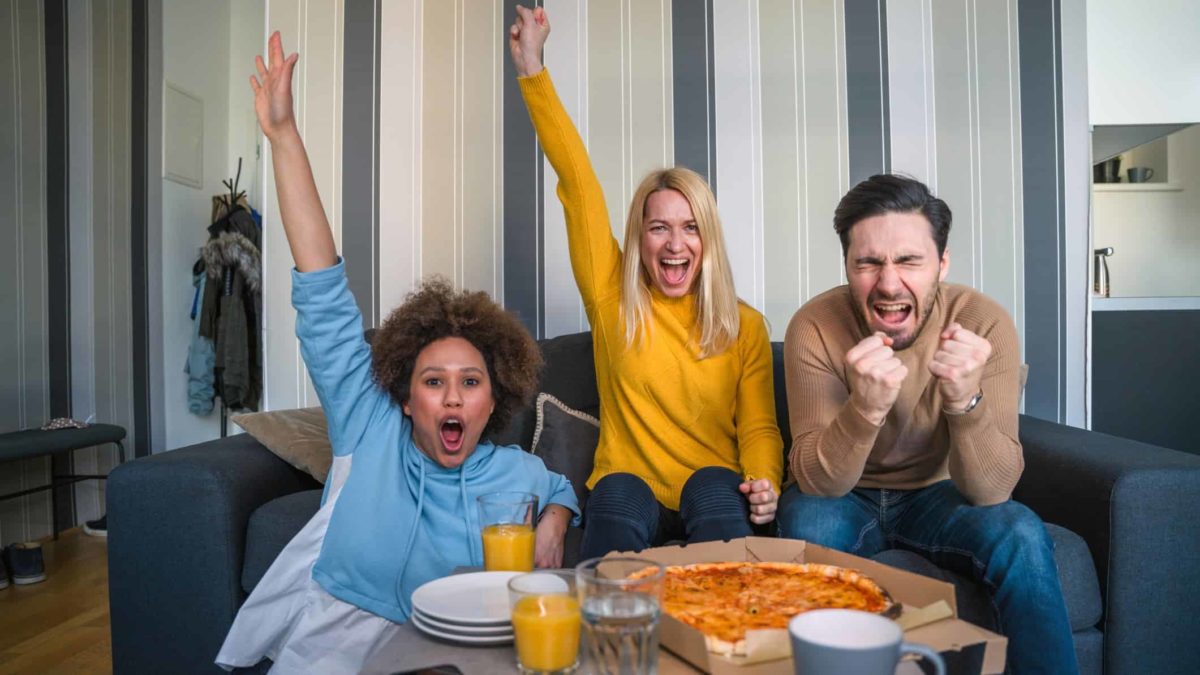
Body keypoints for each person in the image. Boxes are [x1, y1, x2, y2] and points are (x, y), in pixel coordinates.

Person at [215, 32, 579, 674]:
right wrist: (284, 138)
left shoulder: (513, 473)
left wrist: (554, 518)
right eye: (433, 381)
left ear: (494, 398)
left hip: (454, 653)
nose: (452, 396)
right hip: (337, 638)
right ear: (407, 397)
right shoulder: (367, 430)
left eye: (470, 382)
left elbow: (557, 487)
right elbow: (322, 295)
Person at [508, 6, 783, 560]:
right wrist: (533, 71)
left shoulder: (745, 326)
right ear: (641, 238)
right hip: (628, 489)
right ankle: (608, 628)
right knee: (616, 489)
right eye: (659, 228)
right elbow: (579, 185)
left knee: (712, 481)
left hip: (711, 491)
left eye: (690, 228)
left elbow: (758, 427)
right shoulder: (612, 297)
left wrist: (762, 480)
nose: (675, 244)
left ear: (707, 241)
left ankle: (721, 627)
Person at [776, 174, 1078, 674]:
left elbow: (992, 491)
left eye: (909, 261)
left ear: (942, 263)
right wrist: (865, 409)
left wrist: (965, 401)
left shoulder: (984, 322)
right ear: (848, 267)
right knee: (808, 522)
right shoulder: (814, 326)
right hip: (845, 496)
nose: (889, 284)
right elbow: (818, 481)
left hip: (939, 496)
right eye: (868, 263)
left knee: (1021, 531)